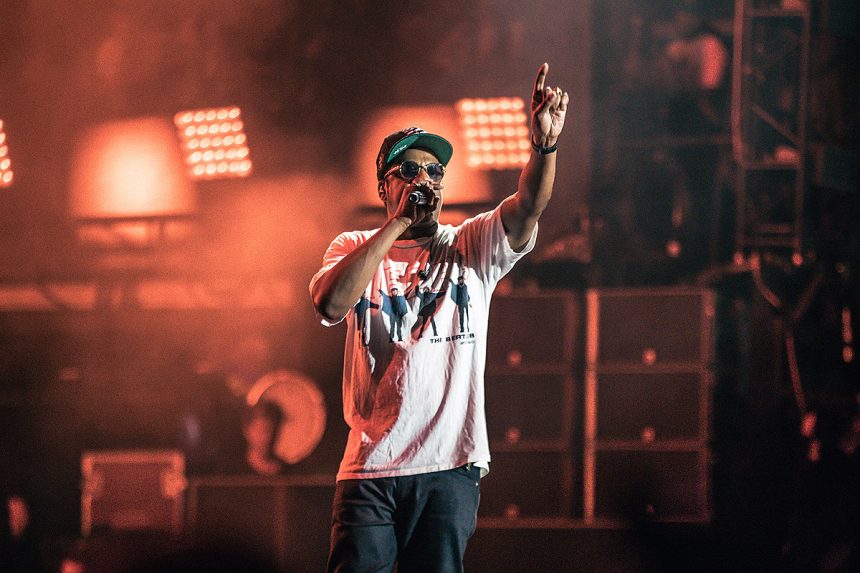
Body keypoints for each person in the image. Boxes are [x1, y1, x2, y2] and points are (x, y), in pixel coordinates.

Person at [310, 63, 568, 572]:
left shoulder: (469, 243)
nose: (425, 179)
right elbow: (331, 305)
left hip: (448, 465)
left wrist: (543, 150)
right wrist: (399, 222)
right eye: (409, 171)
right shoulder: (353, 247)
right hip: (369, 471)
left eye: (433, 171)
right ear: (385, 187)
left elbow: (528, 208)